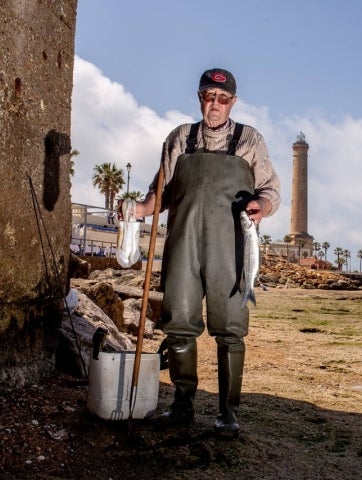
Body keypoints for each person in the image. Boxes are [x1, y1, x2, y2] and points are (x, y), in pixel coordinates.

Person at [122, 68, 280, 438]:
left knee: (230, 330)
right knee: (178, 325)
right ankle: (182, 405)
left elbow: (271, 190)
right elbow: (158, 191)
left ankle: (228, 413)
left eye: (223, 99)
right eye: (209, 96)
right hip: (183, 246)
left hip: (232, 249)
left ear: (233, 103)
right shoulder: (179, 138)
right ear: (199, 98)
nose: (215, 104)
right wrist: (139, 210)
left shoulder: (249, 140)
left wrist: (262, 205)